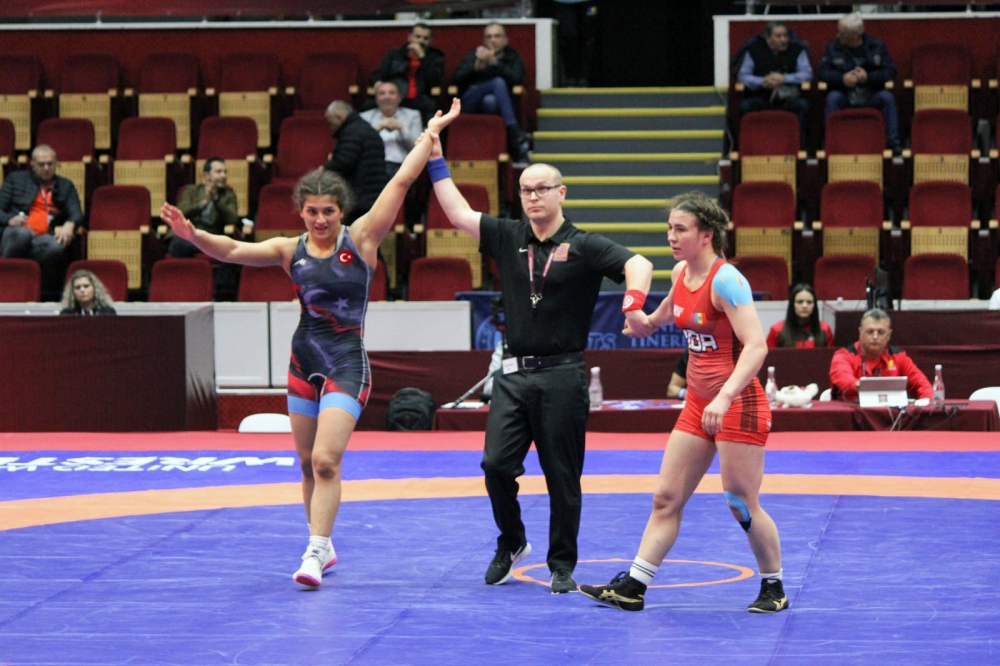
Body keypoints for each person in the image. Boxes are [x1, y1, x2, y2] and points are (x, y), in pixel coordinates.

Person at [160, 100, 460, 589]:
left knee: (325, 460)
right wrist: (192, 235)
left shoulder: (362, 239)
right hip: (303, 362)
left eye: (329, 212)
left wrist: (430, 134)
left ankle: (316, 550)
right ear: (300, 211)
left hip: (346, 363)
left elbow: (401, 182)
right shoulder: (288, 249)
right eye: (312, 212)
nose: (320, 220)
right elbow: (232, 250)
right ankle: (322, 539)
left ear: (342, 211)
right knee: (305, 463)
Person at [424, 100, 655, 595]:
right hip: (513, 374)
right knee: (495, 465)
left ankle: (562, 563)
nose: (532, 197)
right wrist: (435, 155)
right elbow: (458, 213)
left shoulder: (584, 244)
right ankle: (512, 541)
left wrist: (634, 305)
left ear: (561, 193)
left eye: (541, 189)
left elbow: (640, 264)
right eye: (525, 190)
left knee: (562, 475)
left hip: (563, 374)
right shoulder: (509, 236)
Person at [580, 191, 788, 614]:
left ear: (706, 235)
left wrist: (725, 397)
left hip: (738, 402)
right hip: (698, 403)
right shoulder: (680, 273)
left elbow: (756, 346)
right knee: (666, 497)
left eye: (680, 229)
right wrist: (638, 319)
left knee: (740, 502)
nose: (671, 237)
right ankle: (634, 586)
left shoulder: (726, 280)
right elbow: (658, 320)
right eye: (669, 228)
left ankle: (774, 586)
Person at [0, 144, 83, 296]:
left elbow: (76, 213)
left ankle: (21, 271)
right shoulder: (15, 179)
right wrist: (9, 220)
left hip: (42, 239)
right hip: (15, 235)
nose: (46, 168)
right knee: (23, 234)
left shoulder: (65, 185)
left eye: (50, 164)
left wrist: (70, 224)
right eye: (41, 164)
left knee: (56, 246)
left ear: (56, 163)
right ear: (32, 164)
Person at [817, 12, 901, 155]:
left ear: (855, 35)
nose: (837, 35)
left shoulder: (877, 46)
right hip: (844, 93)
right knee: (832, 98)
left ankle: (893, 143)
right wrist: (842, 79)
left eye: (842, 33)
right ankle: (831, 143)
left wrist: (868, 77)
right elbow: (822, 72)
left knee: (887, 98)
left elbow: (890, 71)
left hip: (871, 93)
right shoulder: (832, 48)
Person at [452, 22, 530, 162]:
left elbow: (517, 79)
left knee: (490, 101)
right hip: (471, 101)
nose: (492, 40)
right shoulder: (474, 55)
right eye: (488, 37)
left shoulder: (512, 56)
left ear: (505, 40)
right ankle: (514, 130)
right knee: (497, 82)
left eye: (497, 36)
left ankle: (499, 147)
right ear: (483, 40)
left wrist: (495, 63)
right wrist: (475, 68)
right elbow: (455, 80)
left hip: (498, 105)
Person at [829, 307, 932, 401]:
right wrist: (864, 386)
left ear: (889, 335)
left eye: (881, 332)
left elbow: (923, 384)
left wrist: (927, 404)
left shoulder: (898, 357)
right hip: (852, 411)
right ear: (860, 332)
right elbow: (844, 379)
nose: (875, 337)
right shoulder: (843, 356)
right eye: (870, 332)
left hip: (890, 413)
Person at [735, 21, 812, 145]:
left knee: (803, 106)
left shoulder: (798, 49)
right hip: (761, 96)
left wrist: (784, 79)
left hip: (787, 97)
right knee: (745, 106)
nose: (783, 40)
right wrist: (762, 81)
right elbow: (743, 75)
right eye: (778, 36)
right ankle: (747, 147)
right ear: (768, 38)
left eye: (785, 36)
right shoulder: (754, 50)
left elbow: (807, 73)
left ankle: (800, 148)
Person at [324, 100, 389, 226]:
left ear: (339, 116)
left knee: (354, 234)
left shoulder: (351, 132)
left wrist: (326, 169)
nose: (331, 127)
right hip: (374, 195)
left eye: (331, 122)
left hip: (359, 197)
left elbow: (344, 162)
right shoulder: (366, 128)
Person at [368, 22, 445, 125]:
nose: (421, 41)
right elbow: (378, 74)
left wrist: (423, 58)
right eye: (418, 37)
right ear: (410, 37)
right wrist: (378, 83)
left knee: (433, 108)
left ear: (430, 41)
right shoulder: (395, 54)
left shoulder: (435, 57)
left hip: (419, 97)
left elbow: (435, 80)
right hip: (395, 96)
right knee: (367, 106)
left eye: (425, 38)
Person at [360, 81, 424, 178]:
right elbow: (360, 145)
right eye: (382, 93)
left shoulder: (413, 115)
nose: (387, 97)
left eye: (392, 93)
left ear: (399, 98)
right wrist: (378, 129)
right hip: (373, 165)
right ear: (376, 98)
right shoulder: (365, 116)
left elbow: (417, 147)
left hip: (403, 165)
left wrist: (401, 129)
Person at [766, 283, 834, 349]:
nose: (805, 306)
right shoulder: (777, 330)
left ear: (814, 305)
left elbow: (832, 355)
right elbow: (769, 356)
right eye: (800, 302)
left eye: (809, 302)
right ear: (792, 304)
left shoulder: (825, 329)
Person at [552, 0, 598, 87]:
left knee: (588, 39)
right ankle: (570, 77)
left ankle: (585, 78)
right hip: (564, 3)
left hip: (589, 3)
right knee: (568, 39)